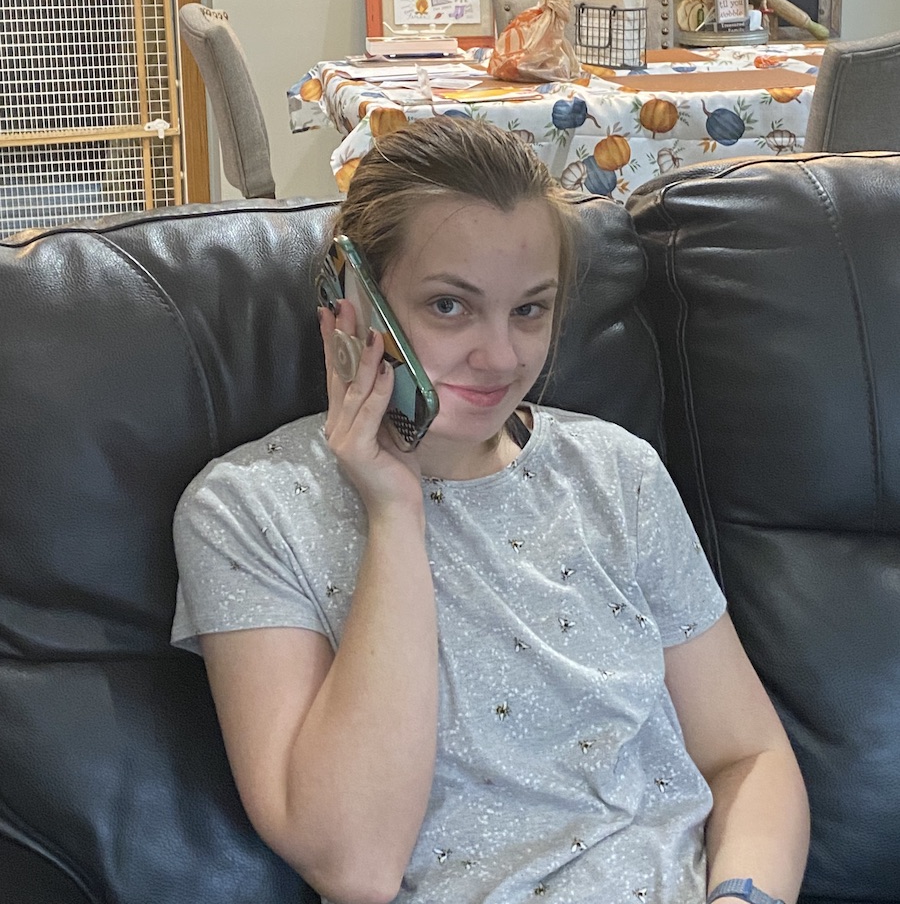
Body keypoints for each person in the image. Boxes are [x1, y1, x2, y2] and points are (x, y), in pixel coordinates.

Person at [172, 116, 809, 904]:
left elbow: (749, 756)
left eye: (530, 310)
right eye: (449, 306)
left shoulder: (617, 473)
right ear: (350, 301)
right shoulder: (246, 513)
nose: (502, 357)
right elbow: (354, 864)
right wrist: (394, 509)